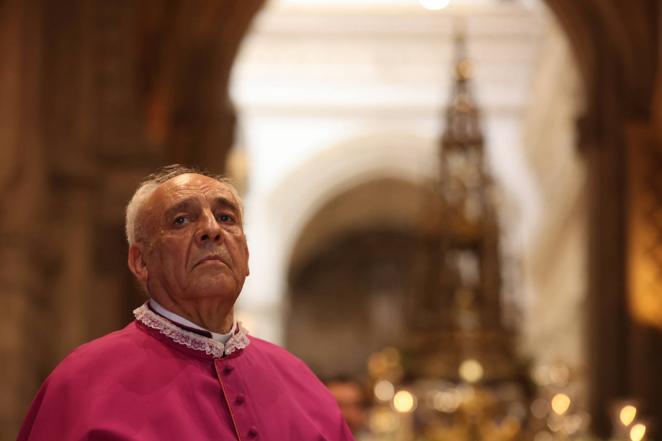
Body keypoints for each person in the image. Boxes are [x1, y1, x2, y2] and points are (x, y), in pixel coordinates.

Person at [18, 165, 354, 441]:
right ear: (140, 261)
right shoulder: (82, 384)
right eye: (181, 220)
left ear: (247, 256)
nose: (211, 230)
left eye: (226, 218)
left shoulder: (302, 383)